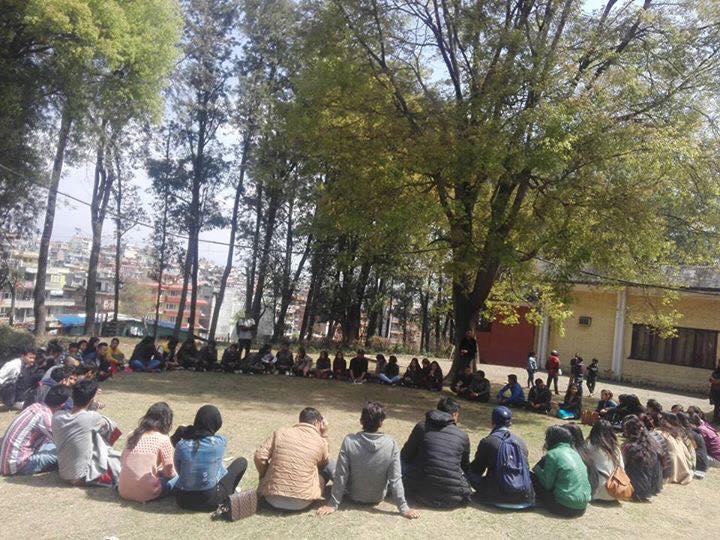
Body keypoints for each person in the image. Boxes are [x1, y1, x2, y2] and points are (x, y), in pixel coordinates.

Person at [316, 402, 419, 519]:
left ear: (361, 421)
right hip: (378, 496)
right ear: (381, 423)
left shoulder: (349, 441)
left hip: (353, 495)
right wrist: (404, 508)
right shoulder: (391, 443)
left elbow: (341, 475)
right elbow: (395, 479)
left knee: (329, 464)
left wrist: (333, 504)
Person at [255, 407, 333, 512]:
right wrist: (323, 434)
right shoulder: (320, 441)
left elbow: (259, 457)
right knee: (326, 470)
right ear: (316, 423)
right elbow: (324, 463)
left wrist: (264, 475)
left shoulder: (280, 432)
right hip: (302, 503)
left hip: (270, 499)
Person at [400, 397, 472, 508]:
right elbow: (464, 467)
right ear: (454, 415)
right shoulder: (462, 436)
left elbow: (405, 456)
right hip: (452, 497)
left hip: (418, 492)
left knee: (400, 463)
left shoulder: (421, 427)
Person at [173, 405, 248, 511]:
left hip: (183, 500)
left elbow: (178, 469)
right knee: (241, 462)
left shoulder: (182, 445)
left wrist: (186, 431)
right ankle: (230, 493)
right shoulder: (219, 443)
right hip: (210, 500)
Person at [52, 380, 122, 487]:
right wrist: (94, 405)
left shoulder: (57, 416)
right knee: (106, 426)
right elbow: (112, 428)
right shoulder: (91, 417)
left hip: (64, 473)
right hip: (82, 476)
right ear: (91, 399)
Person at [468, 406, 535, 509]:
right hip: (524, 497)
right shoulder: (520, 442)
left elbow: (477, 469)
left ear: (492, 422)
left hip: (497, 496)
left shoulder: (488, 441)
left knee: (468, 472)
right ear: (510, 423)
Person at [0, 385, 71, 476]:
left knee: (51, 444)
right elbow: (63, 442)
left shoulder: (35, 407)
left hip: (7, 460)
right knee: (65, 452)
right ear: (62, 405)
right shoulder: (45, 416)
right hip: (18, 465)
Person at [119, 402, 177, 502]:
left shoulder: (132, 435)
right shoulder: (163, 439)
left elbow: (123, 460)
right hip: (146, 493)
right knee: (178, 479)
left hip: (123, 490)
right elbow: (170, 472)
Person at [532, 426, 591, 517]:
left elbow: (547, 485)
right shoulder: (575, 453)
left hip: (563, 507)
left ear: (551, 439)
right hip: (582, 508)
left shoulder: (553, 454)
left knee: (531, 477)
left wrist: (537, 469)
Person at [621, 415, 663, 501]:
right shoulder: (652, 445)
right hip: (651, 488)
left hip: (634, 490)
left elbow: (621, 465)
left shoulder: (630, 447)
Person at [586, 420, 625, 501]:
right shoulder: (616, 448)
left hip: (598, 492)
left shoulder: (591, 446)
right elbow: (622, 468)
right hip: (615, 490)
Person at [656, 412, 694, 485]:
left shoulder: (661, 433)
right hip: (684, 464)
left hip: (672, 464)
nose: (660, 420)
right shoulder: (679, 432)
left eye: (662, 418)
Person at [677, 412, 709, 479]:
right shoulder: (688, 431)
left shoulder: (689, 434)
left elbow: (693, 449)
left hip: (699, 464)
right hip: (699, 461)